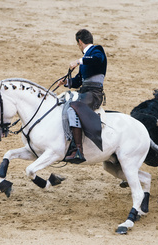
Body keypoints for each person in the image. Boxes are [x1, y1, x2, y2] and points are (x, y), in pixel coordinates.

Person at [58, 29, 107, 163]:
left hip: (94, 93)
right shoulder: (86, 60)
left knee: (74, 108)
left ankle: (78, 149)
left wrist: (79, 61)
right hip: (85, 92)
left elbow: (98, 59)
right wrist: (66, 82)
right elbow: (79, 81)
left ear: (80, 42)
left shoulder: (97, 50)